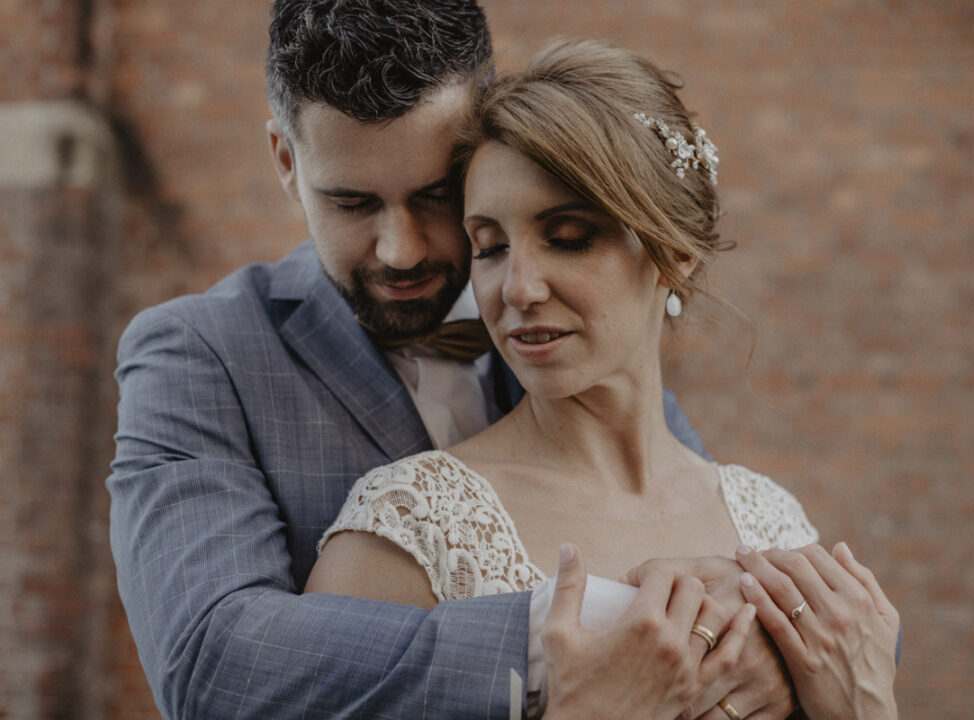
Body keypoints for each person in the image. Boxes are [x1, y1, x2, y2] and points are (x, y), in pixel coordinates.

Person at [108, 2, 801, 718]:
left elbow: (701, 537)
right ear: (287, 160)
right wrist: (571, 629)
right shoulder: (200, 355)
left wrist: (792, 660)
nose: (400, 250)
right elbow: (209, 662)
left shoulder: (575, 348)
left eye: (435, 196)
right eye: (352, 203)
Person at [306, 38, 900, 719]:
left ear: (671, 250)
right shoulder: (408, 528)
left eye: (567, 237)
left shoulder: (773, 521)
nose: (517, 288)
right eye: (490, 247)